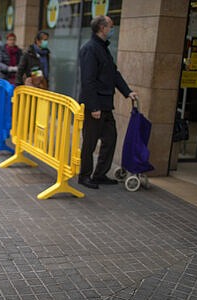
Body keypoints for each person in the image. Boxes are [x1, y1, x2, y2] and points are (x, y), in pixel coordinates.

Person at [77, 15, 138, 189]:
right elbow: (88, 81)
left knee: (110, 139)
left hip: (105, 104)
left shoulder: (103, 48)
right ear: (102, 28)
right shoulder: (90, 49)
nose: (113, 29)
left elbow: (114, 74)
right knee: (90, 142)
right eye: (111, 26)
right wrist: (94, 106)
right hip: (94, 106)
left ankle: (100, 174)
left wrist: (128, 92)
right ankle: (84, 176)